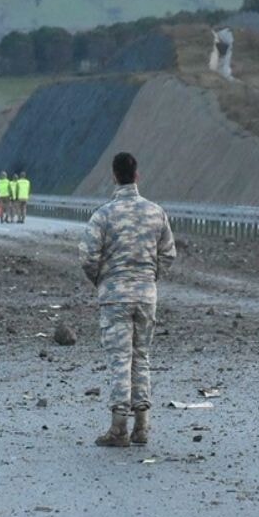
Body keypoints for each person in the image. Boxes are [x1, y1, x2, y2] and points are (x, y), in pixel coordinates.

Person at [79, 152, 175, 447]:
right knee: (141, 357)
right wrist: (149, 278)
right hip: (146, 296)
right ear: (137, 176)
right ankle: (142, 426)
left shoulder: (104, 215)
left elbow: (87, 256)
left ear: (113, 176)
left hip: (115, 297)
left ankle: (119, 427)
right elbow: (168, 254)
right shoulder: (156, 212)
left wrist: (102, 281)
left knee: (119, 360)